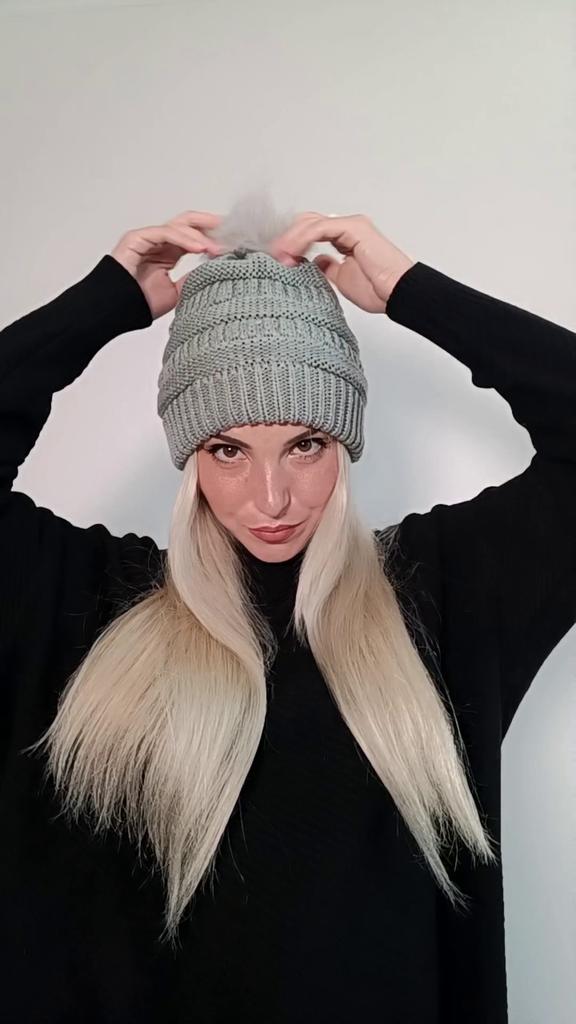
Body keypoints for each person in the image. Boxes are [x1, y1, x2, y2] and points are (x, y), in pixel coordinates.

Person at [1, 199, 575, 1024]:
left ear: (343, 442)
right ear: (190, 455)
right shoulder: (83, 603)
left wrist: (414, 291)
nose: (271, 498)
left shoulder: (442, 598)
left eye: (306, 443)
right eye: (227, 450)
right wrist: (99, 305)